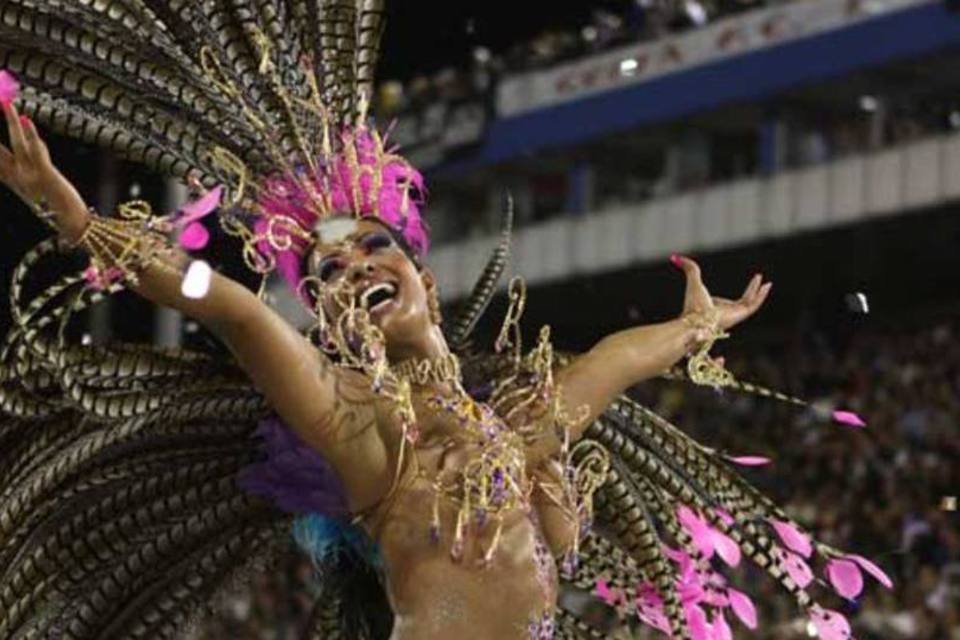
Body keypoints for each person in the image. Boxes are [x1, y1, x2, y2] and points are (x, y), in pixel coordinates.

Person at [0, 2, 887, 639]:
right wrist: (84, 226)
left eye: (372, 246)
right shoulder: (359, 433)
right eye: (329, 273)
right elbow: (227, 307)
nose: (354, 267)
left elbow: (617, 359)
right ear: (329, 321)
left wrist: (700, 327)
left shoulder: (522, 422)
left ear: (420, 271)